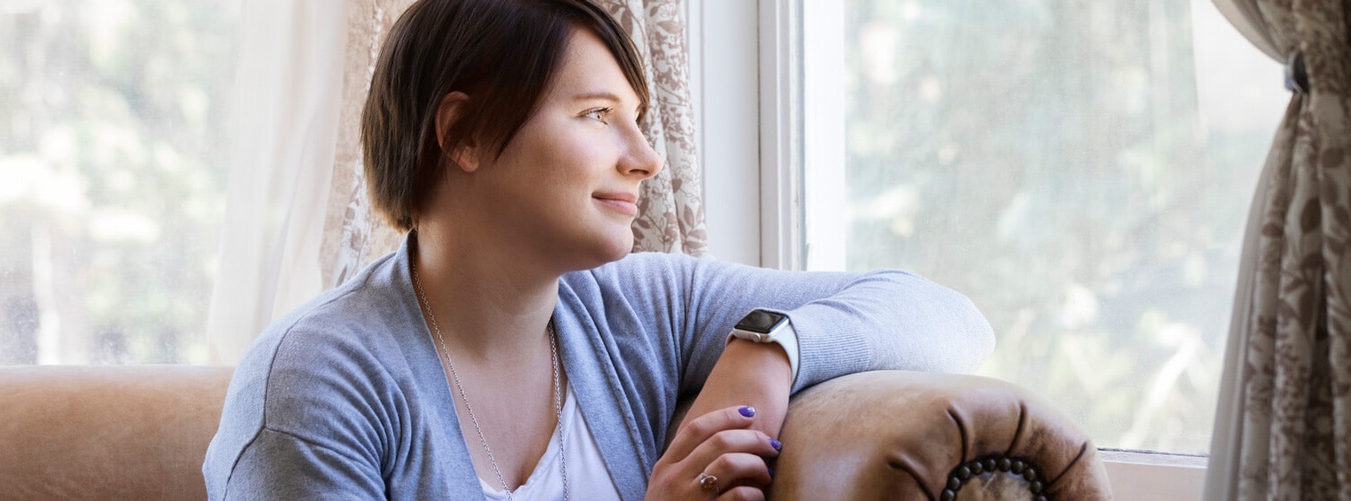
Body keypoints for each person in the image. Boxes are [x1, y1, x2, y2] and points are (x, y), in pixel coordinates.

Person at [202, 0, 994, 499]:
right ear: (462, 133)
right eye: (595, 114)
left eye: (639, 118)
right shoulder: (317, 386)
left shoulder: (645, 307)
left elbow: (950, 320)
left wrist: (771, 346)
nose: (645, 157)